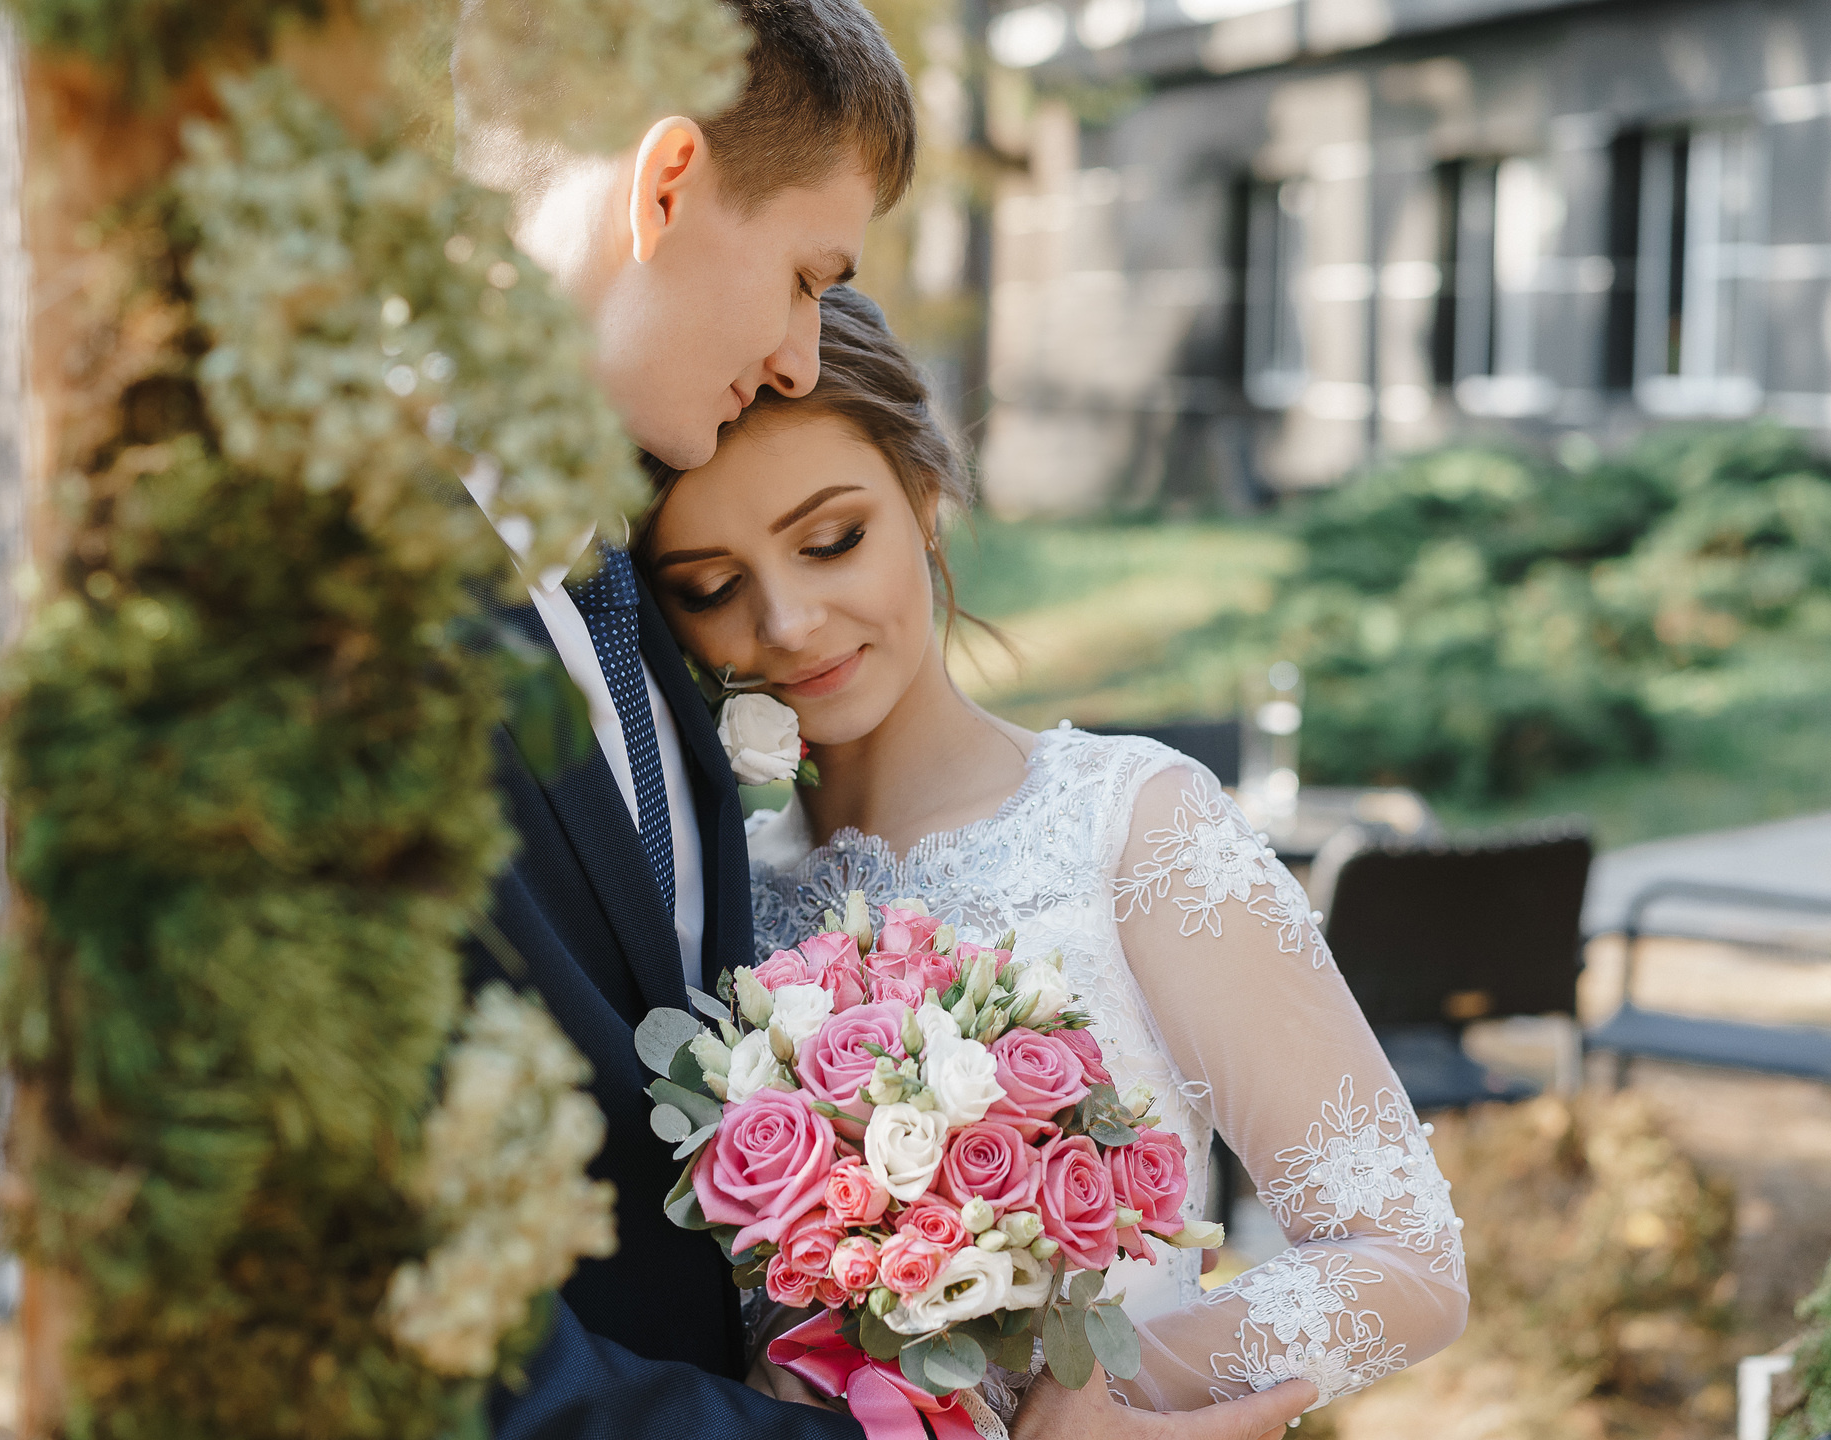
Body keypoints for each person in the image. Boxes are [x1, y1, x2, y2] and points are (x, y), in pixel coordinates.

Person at [454, 1, 1328, 1437]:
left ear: (924, 500)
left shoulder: (615, 595)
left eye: (834, 538)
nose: (803, 354)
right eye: (805, 276)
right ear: (665, 187)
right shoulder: (353, 607)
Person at [629, 286, 1471, 1428]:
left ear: (925, 497)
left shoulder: (1134, 827)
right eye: (712, 588)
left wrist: (1097, 1393)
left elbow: (1407, 1262)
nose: (786, 622)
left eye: (832, 541)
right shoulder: (707, 894)